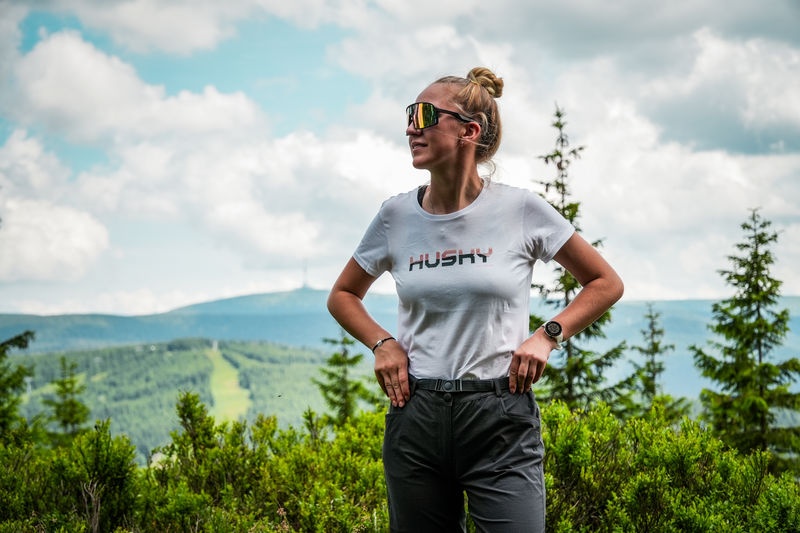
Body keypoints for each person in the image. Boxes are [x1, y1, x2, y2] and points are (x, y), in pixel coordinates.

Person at [327, 66, 623, 533]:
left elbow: (605, 282)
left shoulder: (520, 209)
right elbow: (343, 295)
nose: (411, 128)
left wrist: (547, 336)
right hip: (416, 416)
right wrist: (382, 343)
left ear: (469, 131)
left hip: (499, 418)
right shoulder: (395, 216)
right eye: (409, 115)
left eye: (424, 115)